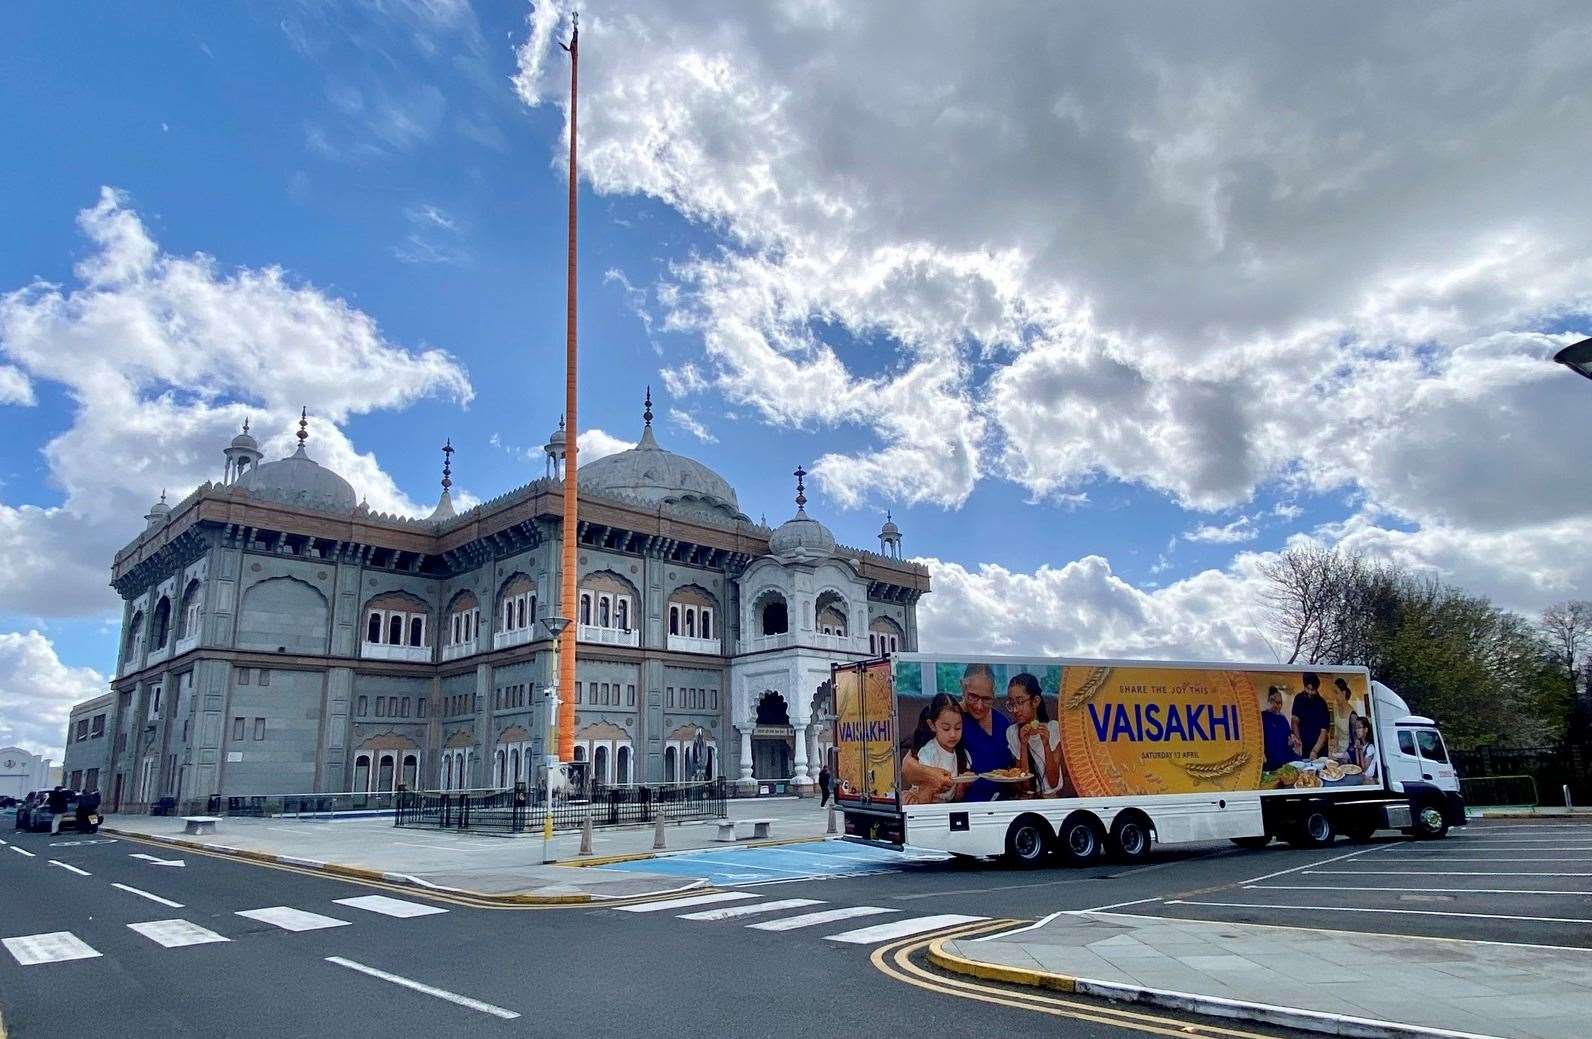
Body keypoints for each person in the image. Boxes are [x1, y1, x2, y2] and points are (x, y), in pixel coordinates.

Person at [903, 694, 969, 804]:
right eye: (946, 729)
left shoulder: (962, 753)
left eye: (958, 728)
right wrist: (932, 786)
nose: (953, 734)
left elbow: (957, 798)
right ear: (932, 725)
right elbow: (922, 799)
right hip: (925, 805)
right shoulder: (928, 753)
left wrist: (963, 783)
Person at [1005, 673, 1064, 797]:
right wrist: (1023, 745)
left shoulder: (1053, 728)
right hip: (1027, 797)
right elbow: (1026, 785)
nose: (1015, 709)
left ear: (1035, 701)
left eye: (1020, 702)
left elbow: (1053, 782)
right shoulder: (1012, 732)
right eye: (1011, 704)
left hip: (1050, 798)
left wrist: (1046, 745)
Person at [1291, 673, 1331, 760]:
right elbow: (1294, 721)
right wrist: (1298, 740)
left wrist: (1315, 751)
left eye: (1312, 690)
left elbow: (1324, 731)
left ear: (1316, 689)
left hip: (1320, 749)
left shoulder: (1321, 703)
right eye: (1307, 689)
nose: (1309, 692)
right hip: (1304, 747)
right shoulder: (1299, 699)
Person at [1262, 686, 1303, 770]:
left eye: (1281, 703)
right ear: (1270, 701)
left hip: (1285, 760)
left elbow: (1288, 741)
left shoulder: (1283, 719)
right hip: (1270, 762)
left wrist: (1292, 742)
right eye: (1277, 703)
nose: (1279, 706)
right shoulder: (1262, 717)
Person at [1329, 677, 1360, 761]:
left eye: (1336, 693)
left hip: (1347, 756)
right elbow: (1336, 732)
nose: (1335, 696)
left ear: (1344, 693)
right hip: (1338, 753)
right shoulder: (1337, 709)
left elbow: (1356, 743)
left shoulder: (1353, 716)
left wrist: (1344, 756)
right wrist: (1334, 747)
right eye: (1334, 693)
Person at [1347, 715, 1379, 783]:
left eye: (1359, 727)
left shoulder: (1370, 748)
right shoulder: (1362, 745)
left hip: (1368, 780)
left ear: (1366, 730)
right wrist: (1356, 749)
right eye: (1356, 728)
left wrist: (1360, 750)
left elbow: (1363, 768)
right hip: (1362, 776)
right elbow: (1358, 765)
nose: (1356, 730)